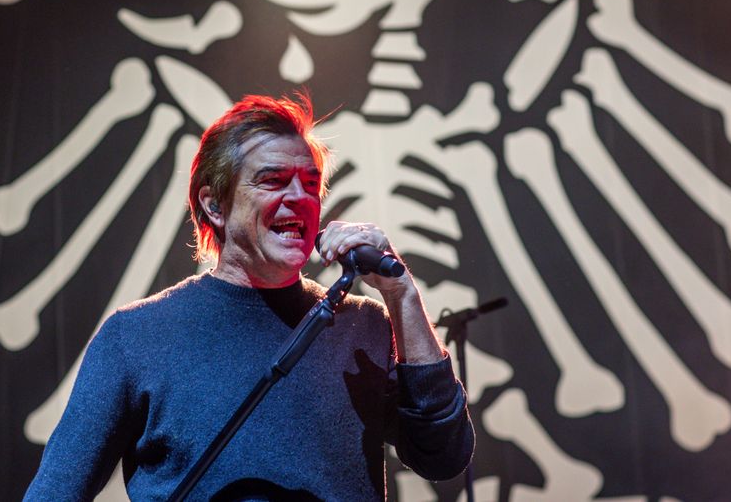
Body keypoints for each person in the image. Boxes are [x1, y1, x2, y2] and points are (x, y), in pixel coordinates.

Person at [24, 94, 474, 501]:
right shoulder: (136, 337)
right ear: (214, 206)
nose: (299, 197)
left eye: (310, 183)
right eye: (273, 180)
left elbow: (444, 456)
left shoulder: (364, 325)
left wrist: (402, 295)